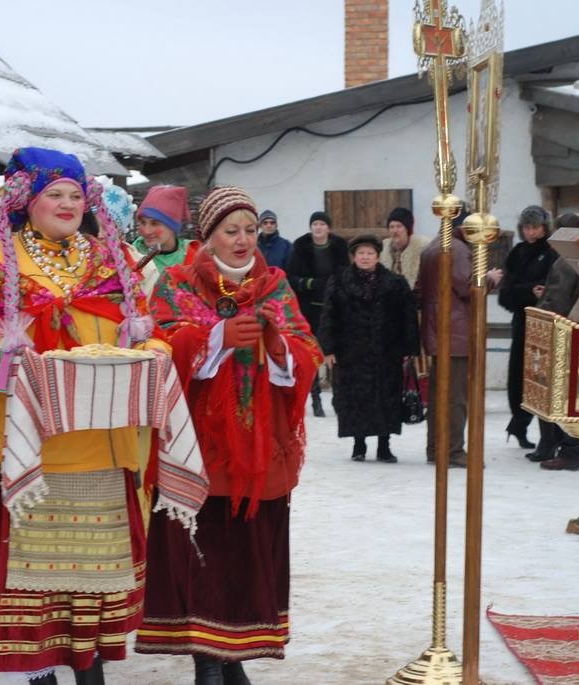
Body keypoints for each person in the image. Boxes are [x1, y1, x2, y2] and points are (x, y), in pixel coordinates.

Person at [0, 148, 173, 685]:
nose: (68, 203)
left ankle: (89, 669)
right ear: (27, 201)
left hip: (100, 446)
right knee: (36, 579)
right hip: (30, 450)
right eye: (55, 194)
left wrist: (150, 347)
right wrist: (2, 353)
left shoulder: (106, 260)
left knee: (91, 575)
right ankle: (39, 671)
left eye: (76, 194)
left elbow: (148, 330)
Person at [135, 186, 321, 684]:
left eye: (250, 230)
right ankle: (207, 660)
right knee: (204, 552)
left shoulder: (275, 285)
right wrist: (214, 339)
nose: (243, 240)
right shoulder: (177, 283)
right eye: (231, 231)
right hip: (197, 444)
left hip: (260, 446)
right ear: (209, 235)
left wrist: (278, 348)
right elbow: (159, 344)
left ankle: (232, 656)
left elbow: (307, 349)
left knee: (245, 553)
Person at [318, 234, 419, 462]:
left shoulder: (395, 283)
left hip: (386, 352)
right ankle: (359, 444)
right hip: (351, 353)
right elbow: (328, 316)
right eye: (361, 253)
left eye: (370, 253)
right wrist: (328, 348)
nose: (365, 257)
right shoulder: (339, 282)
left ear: (377, 256)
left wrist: (409, 349)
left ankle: (384, 446)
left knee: (386, 398)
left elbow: (408, 318)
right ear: (353, 256)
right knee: (356, 399)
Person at [534, 213, 579, 471]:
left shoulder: (565, 262)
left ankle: (570, 452)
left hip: (567, 334)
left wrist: (539, 309)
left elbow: (556, 302)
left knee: (567, 395)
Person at [498, 205, 557, 449]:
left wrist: (532, 291)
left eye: (535, 227)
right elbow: (505, 294)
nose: (531, 232)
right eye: (526, 227)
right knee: (519, 377)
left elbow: (554, 286)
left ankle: (542, 433)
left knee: (541, 378)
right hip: (522, 322)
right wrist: (529, 291)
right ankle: (518, 423)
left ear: (544, 227)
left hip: (546, 324)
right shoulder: (518, 252)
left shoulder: (552, 252)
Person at [417, 213, 473, 468]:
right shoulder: (457, 249)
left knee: (438, 395)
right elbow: (467, 287)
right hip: (455, 332)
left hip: (436, 329)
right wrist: (490, 279)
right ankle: (453, 451)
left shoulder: (431, 247)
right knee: (456, 397)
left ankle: (434, 448)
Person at [284, 210, 349, 416]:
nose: (318, 227)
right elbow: (291, 277)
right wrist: (311, 283)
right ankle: (316, 398)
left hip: (334, 307)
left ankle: (339, 398)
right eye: (315, 224)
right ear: (310, 227)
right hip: (309, 308)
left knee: (335, 353)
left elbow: (346, 273)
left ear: (328, 228)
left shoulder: (339, 246)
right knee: (311, 353)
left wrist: (335, 286)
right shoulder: (301, 246)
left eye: (322, 224)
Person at [132, 184, 199, 273]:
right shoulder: (129, 256)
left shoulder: (194, 255)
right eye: (143, 223)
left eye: (155, 224)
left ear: (172, 226)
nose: (146, 231)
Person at [380, 207, 430, 290]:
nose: (395, 230)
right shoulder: (383, 247)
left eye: (399, 226)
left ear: (407, 228)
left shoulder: (422, 246)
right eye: (391, 227)